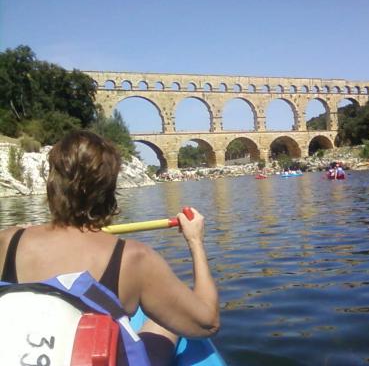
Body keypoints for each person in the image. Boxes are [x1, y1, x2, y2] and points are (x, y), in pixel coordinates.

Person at [0, 130, 219, 365]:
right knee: (162, 323)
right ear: (110, 187)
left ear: (52, 182)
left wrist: (18, 231)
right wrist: (195, 241)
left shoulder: (8, 241)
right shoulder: (134, 258)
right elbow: (207, 323)